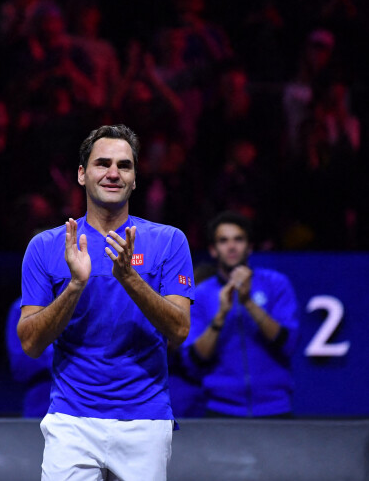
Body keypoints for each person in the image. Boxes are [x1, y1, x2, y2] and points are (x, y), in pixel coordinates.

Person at [18, 124, 194, 481]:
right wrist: (75, 285)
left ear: (134, 179)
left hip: (145, 418)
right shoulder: (46, 247)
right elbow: (30, 343)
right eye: (102, 163)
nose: (113, 173)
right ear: (82, 175)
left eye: (124, 166)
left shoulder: (169, 241)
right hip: (72, 418)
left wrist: (129, 277)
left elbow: (179, 330)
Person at [183, 211, 299, 418]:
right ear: (213, 250)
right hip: (220, 409)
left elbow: (288, 344)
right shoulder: (200, 294)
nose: (232, 246)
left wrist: (248, 302)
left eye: (238, 239)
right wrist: (220, 316)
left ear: (250, 247)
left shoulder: (276, 284)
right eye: (223, 241)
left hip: (275, 407)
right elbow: (194, 360)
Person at [5, 298, 53, 418]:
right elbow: (20, 368)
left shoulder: (90, 300)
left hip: (88, 405)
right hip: (43, 407)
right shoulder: (23, 308)